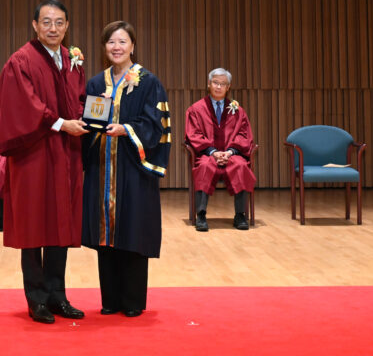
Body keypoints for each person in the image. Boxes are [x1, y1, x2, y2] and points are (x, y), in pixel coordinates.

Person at [0, 0, 88, 324]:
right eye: (46, 22)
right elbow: (25, 105)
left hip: (66, 154)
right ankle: (36, 299)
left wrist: (93, 115)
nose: (53, 28)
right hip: (33, 155)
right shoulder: (21, 61)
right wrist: (62, 124)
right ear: (35, 25)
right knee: (35, 224)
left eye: (59, 22)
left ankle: (57, 296)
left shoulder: (71, 60)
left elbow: (80, 101)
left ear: (67, 26)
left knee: (61, 223)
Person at [82, 21, 171, 317]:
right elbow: (90, 125)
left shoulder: (148, 82)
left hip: (134, 169)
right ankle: (110, 300)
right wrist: (93, 120)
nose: (116, 47)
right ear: (104, 47)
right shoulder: (97, 83)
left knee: (133, 230)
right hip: (102, 169)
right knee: (105, 236)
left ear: (133, 45)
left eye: (122, 41)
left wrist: (126, 129)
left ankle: (132, 301)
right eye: (111, 42)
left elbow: (155, 125)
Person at [185, 68, 256, 231]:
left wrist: (230, 152)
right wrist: (213, 152)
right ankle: (201, 215)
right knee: (204, 166)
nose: (218, 86)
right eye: (215, 82)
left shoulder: (237, 110)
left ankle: (240, 215)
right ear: (209, 84)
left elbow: (244, 134)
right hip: (207, 154)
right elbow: (193, 134)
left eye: (223, 84)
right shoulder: (196, 109)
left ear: (228, 87)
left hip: (231, 154)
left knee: (241, 166)